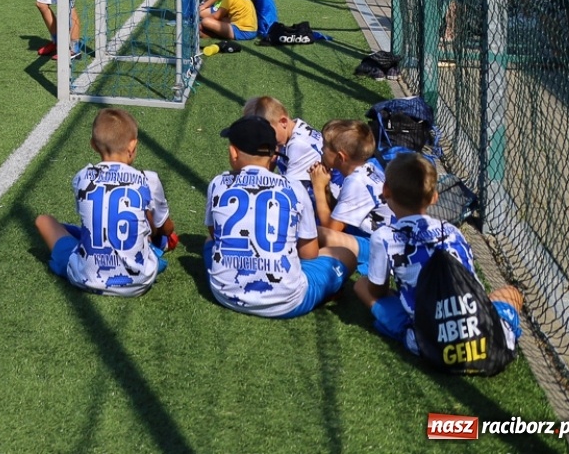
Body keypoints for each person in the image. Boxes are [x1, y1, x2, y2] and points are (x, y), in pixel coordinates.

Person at [355, 152, 522, 356]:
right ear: (434, 197)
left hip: (433, 344)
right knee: (511, 292)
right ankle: (492, 334)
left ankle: (408, 332)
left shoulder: (384, 236)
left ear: (386, 190)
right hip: (485, 340)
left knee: (361, 285)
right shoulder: (452, 231)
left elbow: (377, 291)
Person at [205, 115, 356, 319]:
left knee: (209, 241)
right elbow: (309, 254)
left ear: (233, 152)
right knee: (345, 254)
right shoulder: (294, 188)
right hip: (287, 303)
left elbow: (215, 234)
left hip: (225, 295)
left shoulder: (218, 182)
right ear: (273, 156)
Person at [35, 109, 176, 297]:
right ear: (133, 145)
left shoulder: (82, 178)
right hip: (138, 282)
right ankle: (152, 246)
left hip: (84, 278)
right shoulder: (148, 179)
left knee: (44, 221)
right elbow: (166, 228)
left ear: (93, 145)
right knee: (148, 220)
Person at [308, 119, 393, 273]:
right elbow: (338, 215)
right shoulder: (368, 167)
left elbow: (330, 231)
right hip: (376, 237)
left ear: (341, 157)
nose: (321, 149)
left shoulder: (357, 182)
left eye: (325, 146)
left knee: (315, 232)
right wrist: (326, 188)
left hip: (382, 249)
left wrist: (318, 188)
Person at [242, 95, 324, 199]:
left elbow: (286, 194)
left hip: (322, 203)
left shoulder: (298, 146)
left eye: (267, 133)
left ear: (283, 122)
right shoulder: (293, 129)